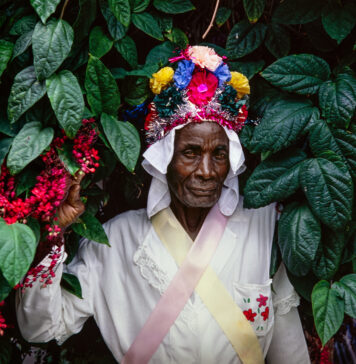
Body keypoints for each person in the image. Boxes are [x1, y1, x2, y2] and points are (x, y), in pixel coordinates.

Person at [16, 45, 310, 363]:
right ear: (164, 159)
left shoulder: (265, 227)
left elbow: (290, 350)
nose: (207, 172)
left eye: (219, 154)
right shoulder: (114, 242)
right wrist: (52, 234)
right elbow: (39, 328)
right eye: (190, 153)